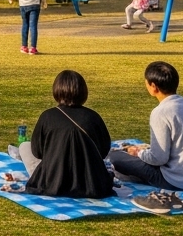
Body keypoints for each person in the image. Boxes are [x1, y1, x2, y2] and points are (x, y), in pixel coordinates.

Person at [107, 61, 183, 192]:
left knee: (115, 157)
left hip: (178, 181)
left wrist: (138, 153)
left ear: (153, 86)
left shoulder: (161, 112)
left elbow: (158, 159)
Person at [17, 70, 114, 199]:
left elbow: (37, 152)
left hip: (53, 182)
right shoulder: (93, 117)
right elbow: (103, 151)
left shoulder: (47, 116)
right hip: (91, 183)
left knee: (24, 146)